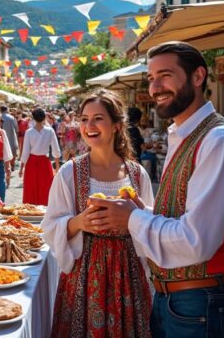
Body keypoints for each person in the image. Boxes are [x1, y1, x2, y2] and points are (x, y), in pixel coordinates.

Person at [94, 42, 224, 337]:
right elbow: (185, 217)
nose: (155, 87)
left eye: (165, 75)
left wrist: (132, 218)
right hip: (178, 299)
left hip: (201, 301)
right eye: (151, 78)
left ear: (198, 77)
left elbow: (197, 241)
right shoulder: (184, 135)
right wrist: (141, 212)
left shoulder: (220, 140)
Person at [41, 90, 154, 337]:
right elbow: (49, 227)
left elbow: (151, 225)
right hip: (83, 276)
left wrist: (135, 219)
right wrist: (78, 222)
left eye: (98, 119)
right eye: (84, 119)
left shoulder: (136, 174)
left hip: (128, 274)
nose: (88, 126)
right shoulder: (69, 173)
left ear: (116, 125)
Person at [19, 108, 60, 205]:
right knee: (46, 187)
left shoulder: (29, 132)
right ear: (44, 117)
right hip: (45, 162)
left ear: (33, 118)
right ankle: (46, 208)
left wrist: (21, 168)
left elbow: (25, 152)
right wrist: (57, 167)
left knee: (31, 187)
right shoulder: (50, 131)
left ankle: (31, 208)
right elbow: (56, 150)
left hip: (31, 162)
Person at [0, 105, 19, 173]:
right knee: (12, 152)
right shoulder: (11, 117)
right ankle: (11, 165)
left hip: (0, 138)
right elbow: (16, 128)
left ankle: (5, 166)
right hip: (11, 137)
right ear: (6, 109)